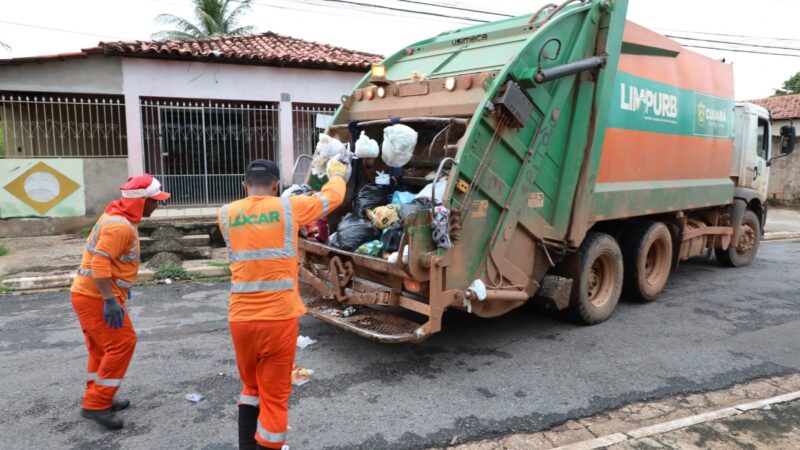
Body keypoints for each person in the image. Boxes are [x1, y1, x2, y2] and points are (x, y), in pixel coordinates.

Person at [219, 158, 347, 450]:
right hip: (278, 319)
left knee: (251, 387)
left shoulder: (225, 213)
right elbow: (334, 197)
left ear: (244, 185)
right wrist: (337, 172)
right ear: (276, 185)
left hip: (240, 318)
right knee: (274, 397)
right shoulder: (290, 207)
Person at [70, 174, 170, 430]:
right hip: (95, 297)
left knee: (101, 349)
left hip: (89, 294)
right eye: (154, 201)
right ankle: (96, 404)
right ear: (142, 202)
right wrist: (109, 300)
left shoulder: (118, 218)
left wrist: (120, 289)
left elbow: (112, 263)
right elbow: (99, 263)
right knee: (123, 343)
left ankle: (99, 395)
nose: (157, 206)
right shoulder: (120, 226)